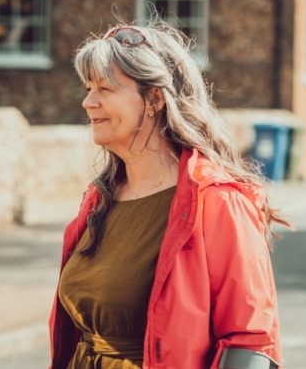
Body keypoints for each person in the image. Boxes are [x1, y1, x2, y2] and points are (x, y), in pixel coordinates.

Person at [49, 21, 291, 369]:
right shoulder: (99, 201)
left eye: (104, 88)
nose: (88, 101)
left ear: (155, 99)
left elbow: (250, 341)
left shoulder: (217, 201)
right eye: (89, 87)